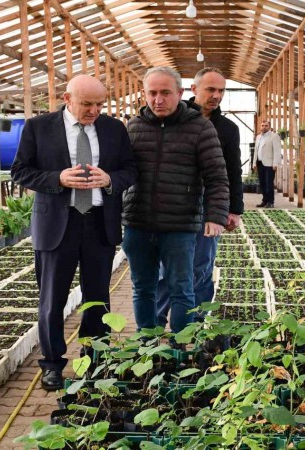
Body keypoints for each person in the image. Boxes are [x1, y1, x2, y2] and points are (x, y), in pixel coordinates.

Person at [11, 74, 137, 391]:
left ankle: (95, 359)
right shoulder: (38, 127)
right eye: (87, 104)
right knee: (52, 300)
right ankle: (52, 364)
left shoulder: (113, 129)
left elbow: (130, 170)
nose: (94, 110)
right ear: (68, 99)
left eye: (99, 104)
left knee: (98, 298)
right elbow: (20, 171)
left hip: (98, 222)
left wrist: (109, 180)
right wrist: (58, 178)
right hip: (57, 223)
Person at [122, 66, 229, 338]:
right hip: (138, 223)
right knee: (142, 287)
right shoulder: (133, 127)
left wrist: (215, 216)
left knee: (182, 288)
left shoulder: (200, 127)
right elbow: (120, 174)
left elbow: (217, 176)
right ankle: (147, 344)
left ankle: (181, 347)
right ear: (144, 94)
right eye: (152, 93)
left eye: (166, 93)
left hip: (181, 225)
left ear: (180, 93)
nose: (159, 100)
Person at [155, 67, 243, 327]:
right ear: (193, 90)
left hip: (209, 204)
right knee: (166, 268)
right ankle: (156, 323)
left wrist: (233, 209)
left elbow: (232, 170)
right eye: (210, 89)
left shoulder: (227, 128)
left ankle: (195, 325)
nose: (216, 95)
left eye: (221, 91)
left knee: (202, 267)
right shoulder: (173, 117)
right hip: (173, 203)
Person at [254, 119, 282, 208]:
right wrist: (254, 163)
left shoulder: (274, 136)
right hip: (260, 163)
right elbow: (256, 150)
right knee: (262, 183)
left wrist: (275, 163)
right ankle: (264, 200)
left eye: (266, 125)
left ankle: (271, 202)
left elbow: (277, 151)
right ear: (260, 127)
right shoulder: (258, 137)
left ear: (269, 127)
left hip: (269, 164)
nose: (264, 127)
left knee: (268, 183)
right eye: (262, 125)